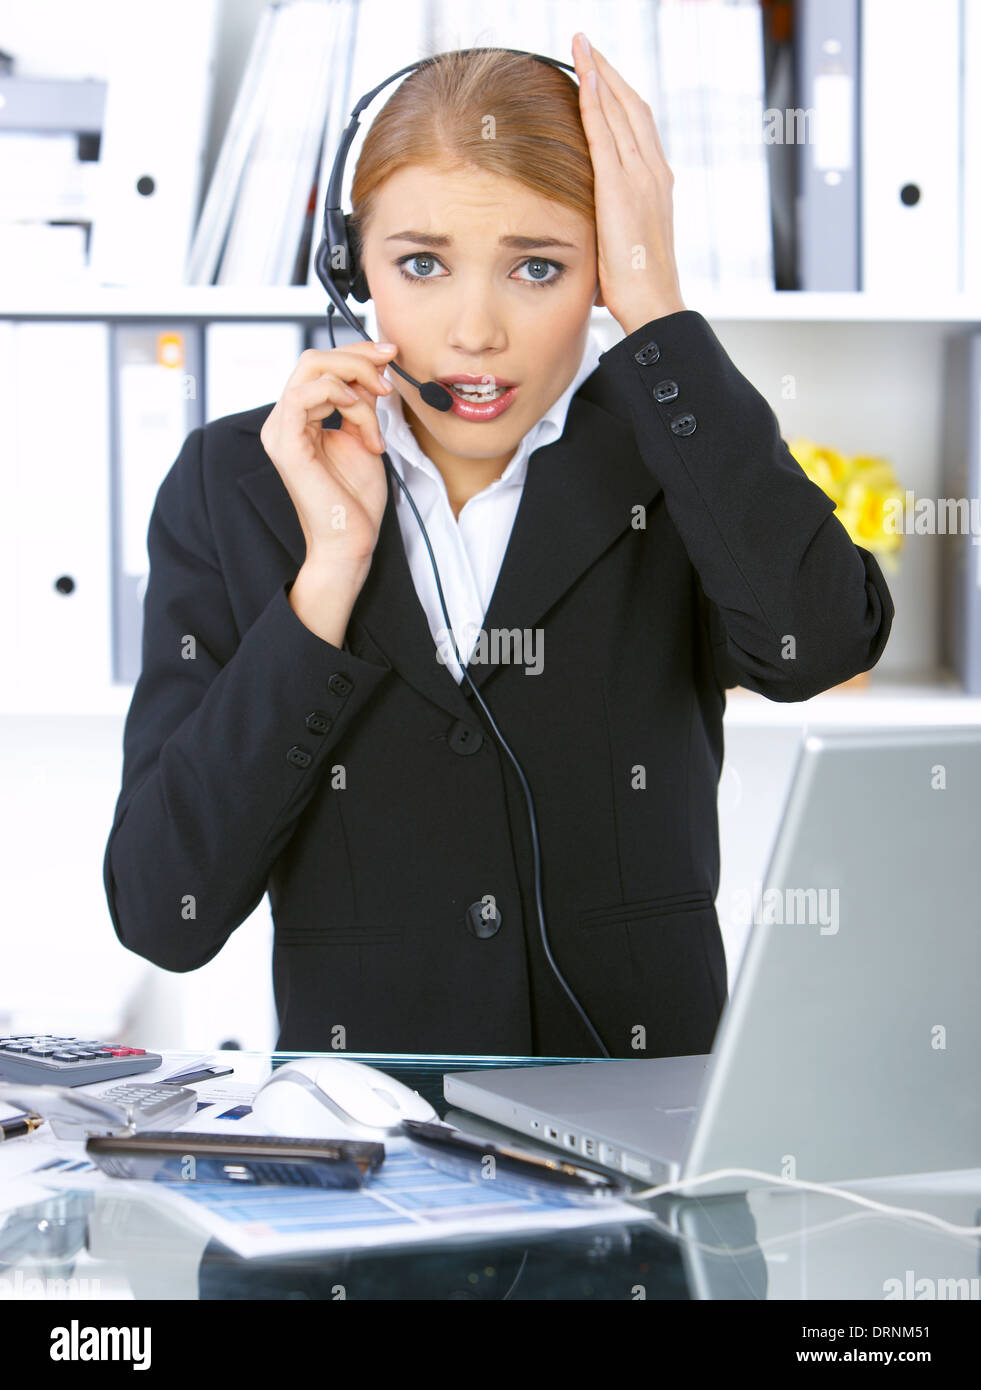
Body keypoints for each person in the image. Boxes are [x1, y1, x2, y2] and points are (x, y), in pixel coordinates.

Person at [102, 37, 894, 1058]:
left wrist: (659, 310)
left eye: (538, 266)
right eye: (421, 263)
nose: (475, 330)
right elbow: (165, 909)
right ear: (353, 267)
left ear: (603, 267)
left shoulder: (673, 452)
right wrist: (328, 577)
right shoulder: (236, 484)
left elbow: (820, 644)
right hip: (366, 1160)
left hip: (638, 1140)